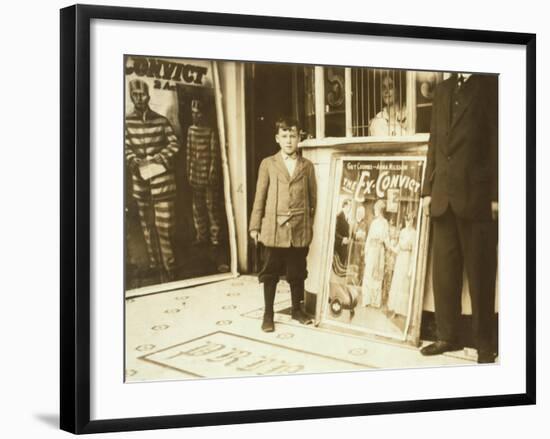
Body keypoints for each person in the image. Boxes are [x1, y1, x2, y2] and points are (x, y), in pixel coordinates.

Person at [420, 73, 498, 364]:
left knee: (481, 274)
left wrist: (497, 195)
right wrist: (426, 190)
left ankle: (485, 345)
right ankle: (447, 336)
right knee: (444, 273)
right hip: (442, 197)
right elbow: (434, 142)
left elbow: (497, 141)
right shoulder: (442, 90)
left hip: (476, 198)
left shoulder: (491, 84)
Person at [249, 116, 317, 332]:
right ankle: (268, 314)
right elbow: (259, 197)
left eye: (293, 136)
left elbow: (312, 198)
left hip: (298, 228)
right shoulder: (268, 164)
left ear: (300, 138)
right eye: (285, 136)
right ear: (277, 138)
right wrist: (255, 226)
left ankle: (297, 309)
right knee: (270, 271)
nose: (289, 141)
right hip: (273, 229)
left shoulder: (307, 166)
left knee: (297, 271)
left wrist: (307, 223)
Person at [125, 79, 180, 281]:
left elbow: (175, 144)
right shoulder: (126, 122)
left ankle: (171, 267)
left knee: (164, 226)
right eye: (135, 94)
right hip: (141, 184)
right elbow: (124, 146)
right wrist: (134, 160)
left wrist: (160, 157)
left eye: (143, 94)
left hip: (163, 182)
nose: (140, 98)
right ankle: (156, 265)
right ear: (131, 96)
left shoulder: (161, 120)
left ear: (149, 96)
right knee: (147, 225)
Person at [186, 98, 221, 246]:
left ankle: (215, 238)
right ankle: (201, 236)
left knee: (211, 207)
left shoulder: (210, 131)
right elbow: (189, 153)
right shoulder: (190, 130)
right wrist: (188, 172)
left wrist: (212, 174)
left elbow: (214, 155)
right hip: (195, 177)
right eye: (193, 113)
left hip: (207, 178)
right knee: (197, 207)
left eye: (198, 114)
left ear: (203, 114)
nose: (195, 116)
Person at [362, 200, 392, 308]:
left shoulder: (385, 223)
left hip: (379, 251)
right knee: (369, 273)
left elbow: (387, 239)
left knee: (378, 275)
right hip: (372, 250)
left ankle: (375, 301)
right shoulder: (374, 223)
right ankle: (366, 299)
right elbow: (369, 238)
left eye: (376, 209)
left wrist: (390, 247)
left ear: (379, 210)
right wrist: (366, 251)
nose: (375, 211)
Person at [387, 213, 417, 318]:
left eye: (410, 220)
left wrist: (410, 269)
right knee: (397, 282)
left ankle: (403, 311)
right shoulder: (403, 231)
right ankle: (395, 309)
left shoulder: (414, 233)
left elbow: (414, 252)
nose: (408, 223)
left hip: (407, 259)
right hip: (400, 259)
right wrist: (391, 247)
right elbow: (399, 247)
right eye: (406, 220)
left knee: (404, 284)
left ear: (413, 221)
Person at [334, 198, 352, 266]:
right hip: (339, 247)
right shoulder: (339, 216)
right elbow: (334, 232)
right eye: (349, 205)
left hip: (343, 247)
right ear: (345, 206)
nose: (350, 208)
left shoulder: (346, 217)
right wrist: (342, 239)